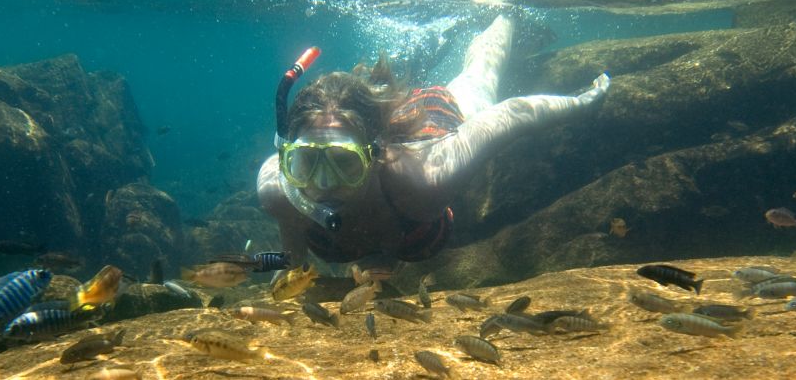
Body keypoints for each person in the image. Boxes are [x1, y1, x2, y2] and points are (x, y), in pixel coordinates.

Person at [257, 14, 610, 264]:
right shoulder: (279, 192)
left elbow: (510, 116)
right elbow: (293, 263)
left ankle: (503, 13)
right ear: (288, 156)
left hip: (432, 123)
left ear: (375, 155)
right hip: (377, 129)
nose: (322, 183)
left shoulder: (428, 178)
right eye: (305, 162)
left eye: (344, 162)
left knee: (480, 77)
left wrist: (583, 104)